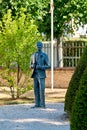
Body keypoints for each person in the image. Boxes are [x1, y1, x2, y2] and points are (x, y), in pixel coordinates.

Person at [30, 41, 50, 108]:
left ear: (42, 46)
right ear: (36, 46)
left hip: (41, 75)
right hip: (35, 74)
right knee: (36, 90)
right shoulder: (33, 55)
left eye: (40, 45)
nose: (38, 47)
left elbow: (48, 66)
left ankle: (43, 104)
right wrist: (32, 66)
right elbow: (30, 64)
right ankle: (37, 104)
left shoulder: (44, 55)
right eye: (37, 45)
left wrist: (41, 67)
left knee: (42, 89)